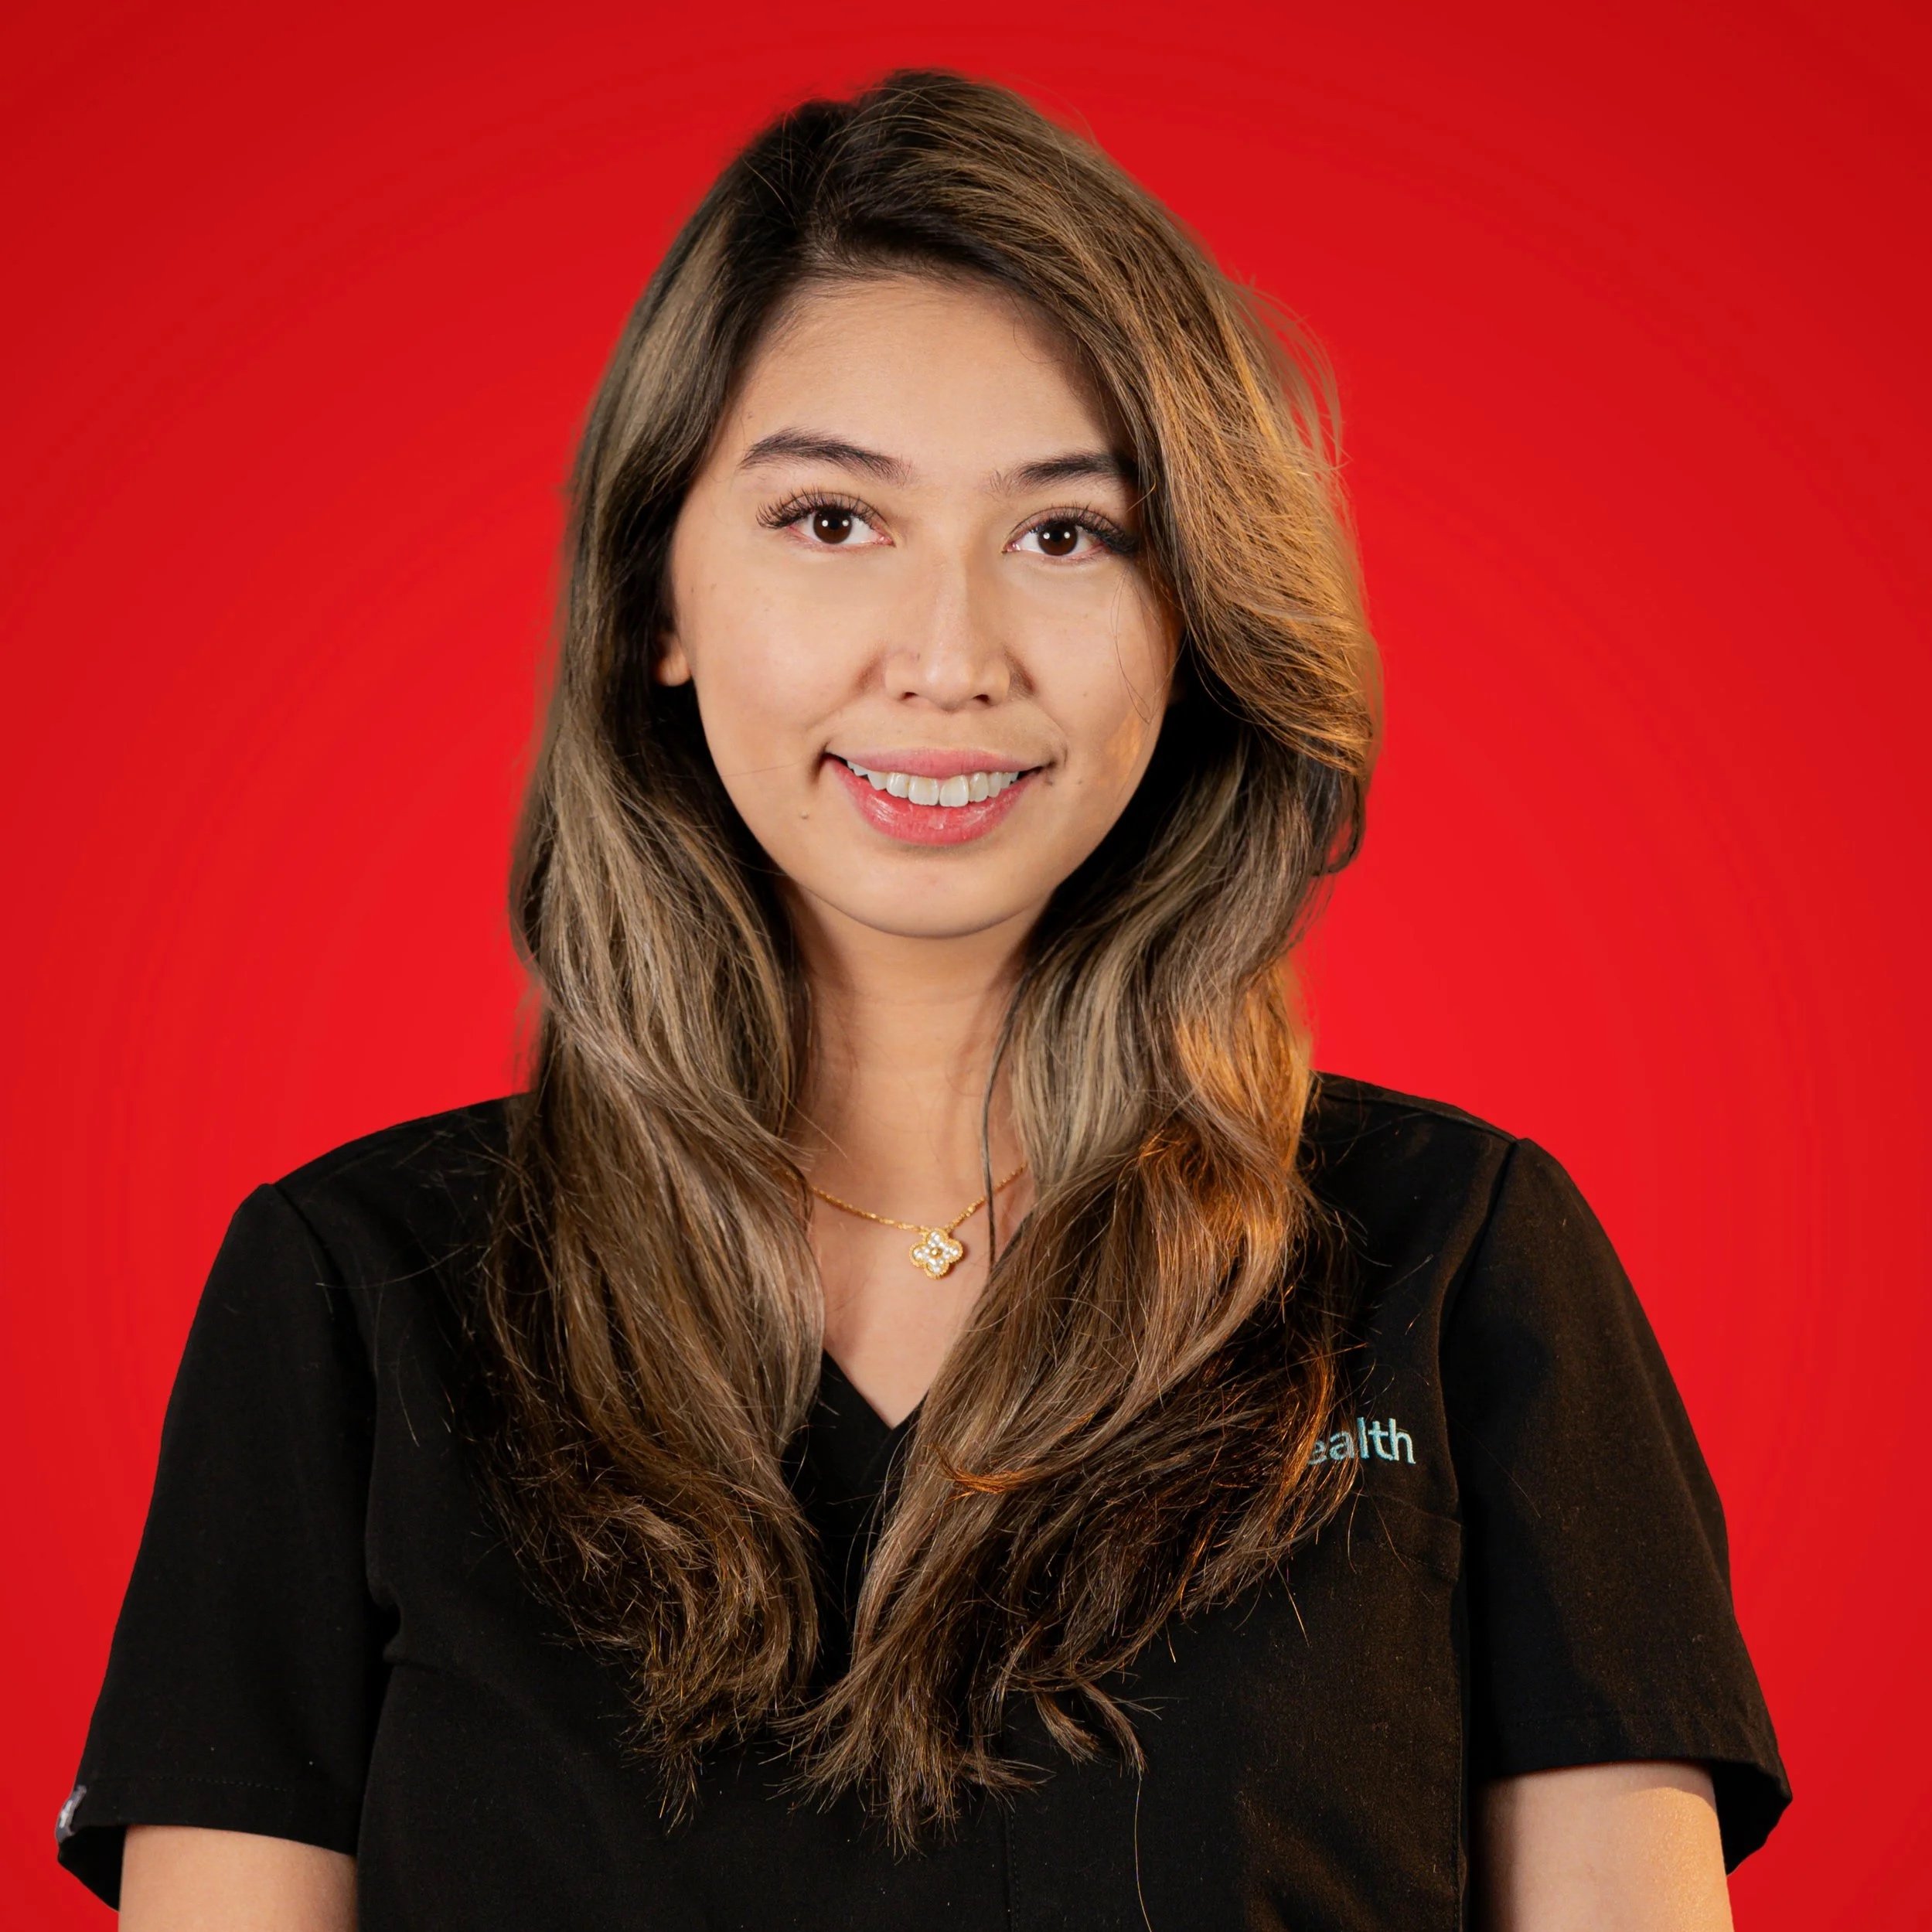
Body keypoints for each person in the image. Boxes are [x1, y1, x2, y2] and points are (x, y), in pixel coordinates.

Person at [57, 69, 1787, 1930]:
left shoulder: (1455, 1266)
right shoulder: (345, 1297)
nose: (950, 658)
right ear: (658, 597)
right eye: (828, 520)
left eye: (1067, 534)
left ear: (1194, 613)